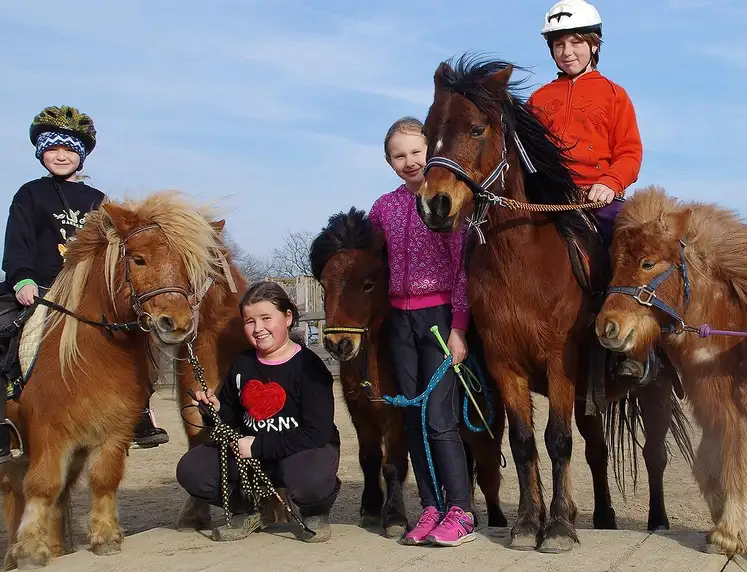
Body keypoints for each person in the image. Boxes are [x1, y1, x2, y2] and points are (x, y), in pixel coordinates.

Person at [0, 105, 168, 460]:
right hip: (41, 290)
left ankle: (139, 408)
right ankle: (5, 419)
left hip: (88, 294)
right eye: (52, 147)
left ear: (82, 154)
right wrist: (22, 279)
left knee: (138, 330)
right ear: (40, 151)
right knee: (4, 330)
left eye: (69, 148)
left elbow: (117, 251)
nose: (61, 155)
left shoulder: (99, 202)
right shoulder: (29, 194)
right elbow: (17, 244)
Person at [367, 116, 476, 547]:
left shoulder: (446, 201)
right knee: (411, 417)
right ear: (389, 161)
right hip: (399, 321)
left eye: (416, 152)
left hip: (440, 318)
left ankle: (461, 510)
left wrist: (459, 329)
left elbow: (463, 270)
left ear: (430, 150)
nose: (410, 162)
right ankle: (430, 506)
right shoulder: (383, 207)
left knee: (438, 417)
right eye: (399, 155)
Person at [176, 280, 341, 542]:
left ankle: (314, 511)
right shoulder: (243, 363)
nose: (258, 328)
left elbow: (317, 433)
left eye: (266, 318)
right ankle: (249, 509)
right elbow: (230, 417)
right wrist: (213, 410)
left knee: (311, 477)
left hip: (298, 452)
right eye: (250, 321)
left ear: (287, 317)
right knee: (192, 469)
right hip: (252, 458)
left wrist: (257, 447)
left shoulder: (310, 368)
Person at [526, 0, 643, 247]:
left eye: (576, 42)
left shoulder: (614, 94)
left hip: (596, 199)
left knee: (638, 242)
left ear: (594, 44)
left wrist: (610, 182)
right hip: (545, 198)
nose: (566, 52)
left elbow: (630, 153)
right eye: (559, 44)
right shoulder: (538, 99)